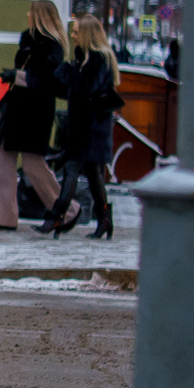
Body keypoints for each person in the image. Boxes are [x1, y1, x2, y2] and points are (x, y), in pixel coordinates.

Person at [0, 0, 65, 231]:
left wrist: (18, 76)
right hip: (17, 108)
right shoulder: (28, 41)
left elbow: (47, 81)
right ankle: (2, 217)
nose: (27, 14)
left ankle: (67, 210)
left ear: (41, 16)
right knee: (5, 158)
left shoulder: (52, 46)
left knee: (33, 164)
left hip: (36, 112)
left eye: (32, 12)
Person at [50, 15, 121, 239]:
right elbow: (74, 92)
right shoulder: (85, 59)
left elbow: (86, 88)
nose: (72, 36)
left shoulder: (99, 59)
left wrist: (66, 72)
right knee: (93, 176)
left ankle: (57, 218)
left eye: (76, 32)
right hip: (85, 127)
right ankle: (105, 220)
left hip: (90, 129)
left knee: (72, 170)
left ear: (87, 35)